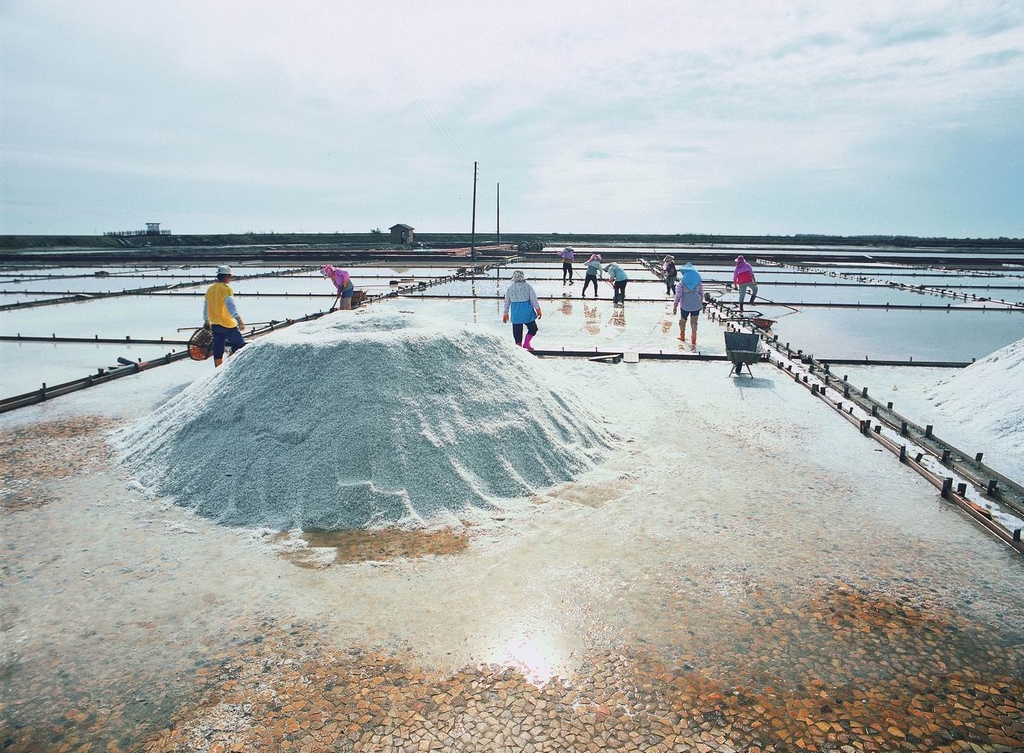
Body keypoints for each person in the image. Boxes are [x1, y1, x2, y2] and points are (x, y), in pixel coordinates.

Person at [203, 264, 246, 367]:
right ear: (226, 276)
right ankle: (229, 362)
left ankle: (218, 368)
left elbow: (206, 306)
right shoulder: (226, 289)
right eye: (230, 276)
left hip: (215, 324)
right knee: (240, 343)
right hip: (227, 324)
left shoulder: (210, 289)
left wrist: (206, 320)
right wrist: (238, 319)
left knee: (218, 346)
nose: (230, 279)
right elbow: (230, 305)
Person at [502, 270, 543, 350]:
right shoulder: (527, 287)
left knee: (517, 334)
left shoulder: (510, 289)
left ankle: (519, 348)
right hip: (527, 313)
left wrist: (505, 313)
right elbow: (534, 300)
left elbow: (507, 303)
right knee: (533, 328)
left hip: (516, 314)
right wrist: (538, 310)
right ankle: (526, 343)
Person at [672, 262, 704, 349]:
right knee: (694, 323)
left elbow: (678, 295)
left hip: (685, 305)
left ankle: (682, 337)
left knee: (683, 321)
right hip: (696, 305)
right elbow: (701, 293)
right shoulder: (698, 281)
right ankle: (693, 341)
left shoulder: (682, 283)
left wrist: (675, 305)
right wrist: (700, 302)